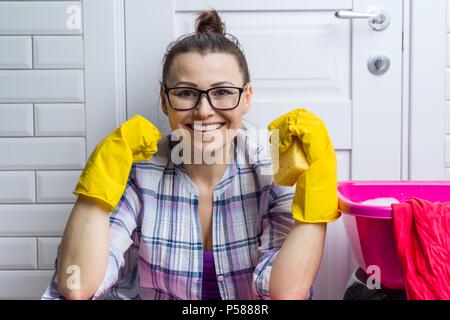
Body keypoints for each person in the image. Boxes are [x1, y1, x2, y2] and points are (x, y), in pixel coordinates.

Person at [42, 10, 338, 300]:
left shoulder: (273, 165)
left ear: (246, 98)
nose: (204, 111)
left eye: (222, 92)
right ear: (164, 99)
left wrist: (319, 188)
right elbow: (77, 286)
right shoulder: (140, 169)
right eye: (186, 92)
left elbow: (286, 292)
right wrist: (99, 180)